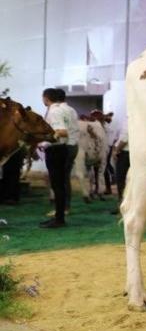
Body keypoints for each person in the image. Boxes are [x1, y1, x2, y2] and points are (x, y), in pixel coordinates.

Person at [41, 88, 80, 228]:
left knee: (58, 183)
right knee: (62, 182)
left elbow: (62, 132)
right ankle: (61, 212)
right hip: (69, 147)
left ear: (47, 98)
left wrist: (45, 141)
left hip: (59, 148)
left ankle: (59, 217)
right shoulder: (70, 109)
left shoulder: (54, 110)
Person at [111, 117, 129, 214]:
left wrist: (116, 150)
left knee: (121, 180)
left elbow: (125, 137)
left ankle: (122, 205)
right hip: (134, 153)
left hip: (125, 153)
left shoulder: (129, 119)